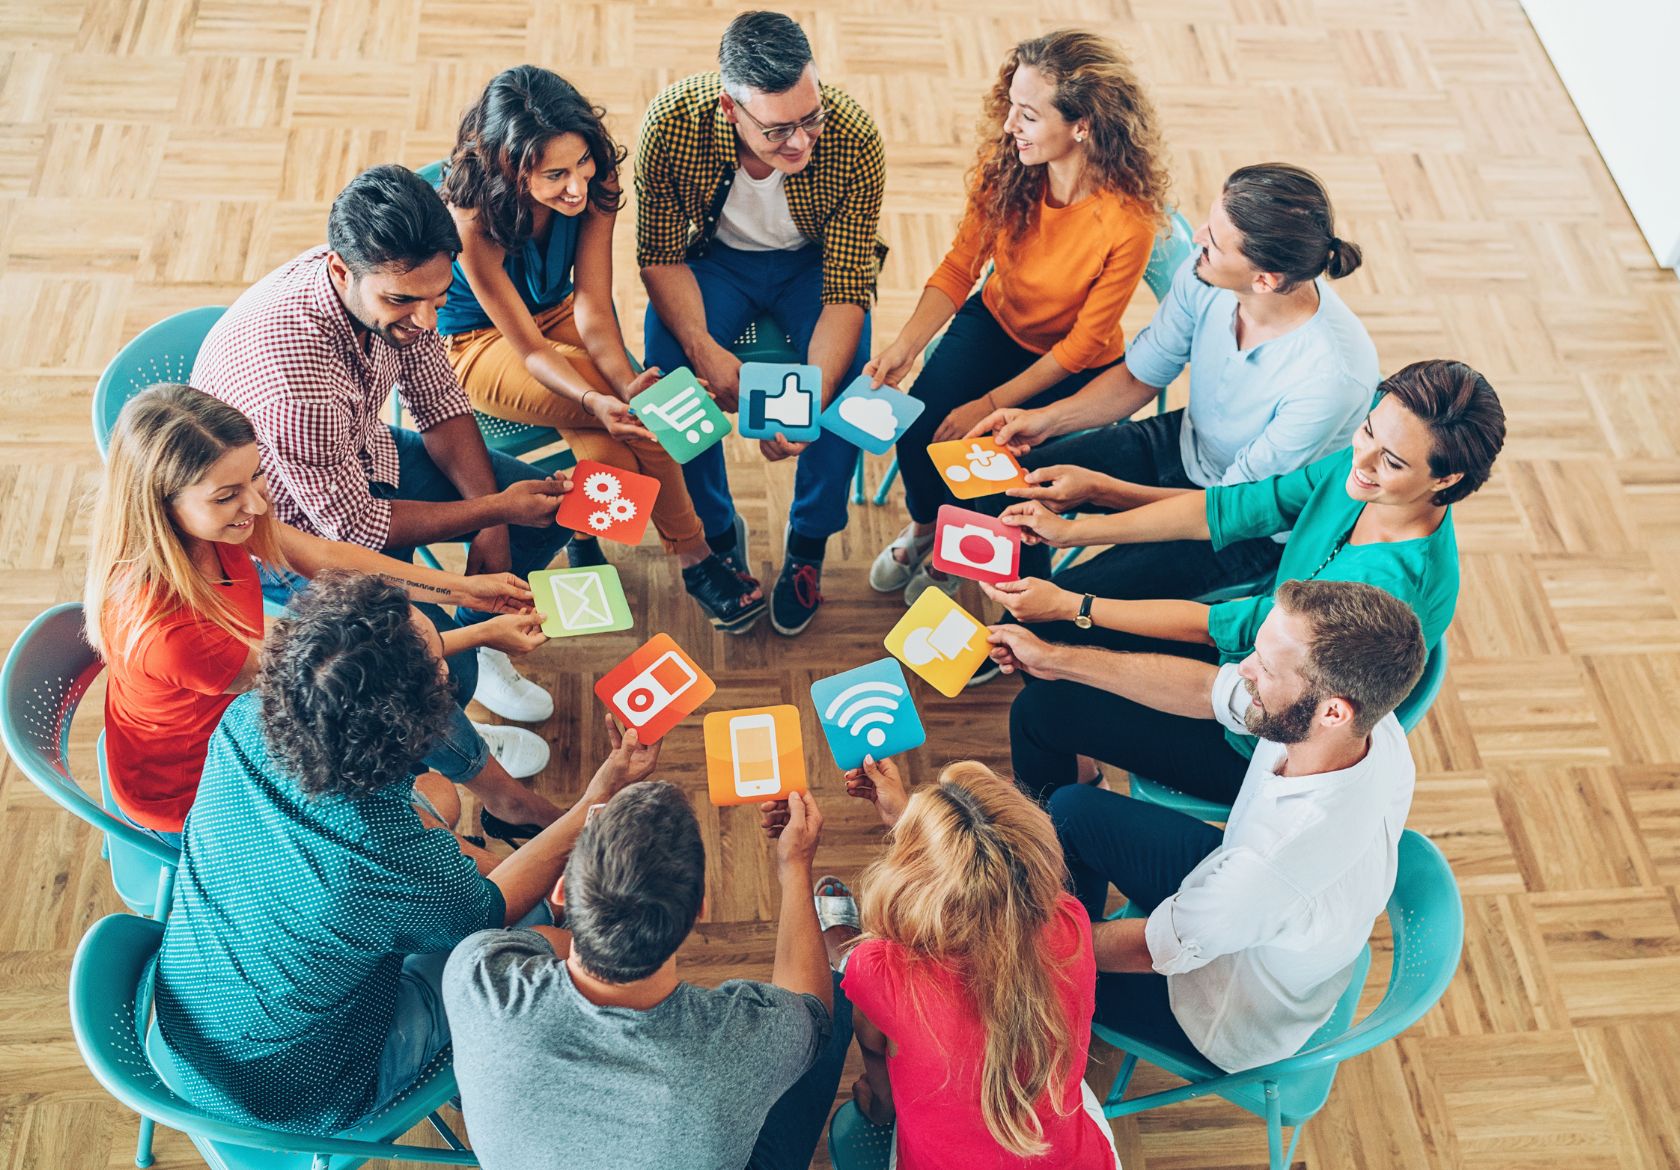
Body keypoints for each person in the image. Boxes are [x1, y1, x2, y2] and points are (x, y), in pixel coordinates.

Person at [151, 572, 661, 1134]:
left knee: (439, 798)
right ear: (412, 729)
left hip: (193, 1024)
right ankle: (518, 1079)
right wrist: (596, 799)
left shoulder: (242, 722)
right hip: (307, 1092)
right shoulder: (375, 853)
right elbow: (491, 912)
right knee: (560, 945)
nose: (445, 663)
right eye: (439, 672)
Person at [989, 358, 1505, 803]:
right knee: (1062, 644)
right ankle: (1081, 779)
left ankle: (1058, 863)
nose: (1362, 460)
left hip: (1265, 735)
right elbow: (1235, 508)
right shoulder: (1368, 476)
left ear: (1447, 480)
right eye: (1368, 429)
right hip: (1258, 659)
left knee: (1041, 710)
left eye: (1390, 461)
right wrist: (1091, 506)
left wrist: (1071, 606)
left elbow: (1220, 628)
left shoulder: (1383, 592)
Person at [193, 163, 569, 764]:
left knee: (548, 513)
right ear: (342, 272)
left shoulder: (395, 282)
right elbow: (356, 529)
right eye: (404, 302)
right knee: (423, 671)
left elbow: (440, 403)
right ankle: (467, 754)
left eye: (438, 298)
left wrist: (495, 524)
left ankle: (487, 624)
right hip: (286, 529)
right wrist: (492, 508)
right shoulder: (297, 386)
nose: (426, 321)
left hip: (366, 453)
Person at [83, 384, 560, 846]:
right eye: (227, 495)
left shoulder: (219, 518)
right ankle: (507, 803)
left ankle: (491, 791)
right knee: (396, 696)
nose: (257, 502)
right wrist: (480, 632)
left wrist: (467, 591)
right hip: (197, 782)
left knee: (420, 674)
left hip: (243, 707)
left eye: (256, 474)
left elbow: (329, 557)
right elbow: (352, 672)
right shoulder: (167, 632)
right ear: (160, 505)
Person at [1049, 579, 1426, 1072]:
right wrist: (1051, 659)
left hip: (1219, 1012)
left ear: (1333, 711)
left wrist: (1036, 940)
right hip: (1248, 903)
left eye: (1265, 667)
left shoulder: (1273, 867)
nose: (1244, 668)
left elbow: (1152, 948)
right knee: (1074, 808)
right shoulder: (1367, 723)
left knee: (1022, 969)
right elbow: (1216, 690)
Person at [436, 65, 764, 632]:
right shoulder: (472, 221)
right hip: (478, 341)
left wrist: (625, 380)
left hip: (558, 312)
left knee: (617, 450)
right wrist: (597, 399)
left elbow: (591, 303)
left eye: (582, 162)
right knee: (644, 424)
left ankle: (582, 534)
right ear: (507, 168)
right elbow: (531, 350)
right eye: (555, 174)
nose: (577, 186)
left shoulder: (599, 184)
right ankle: (698, 558)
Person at [966, 162, 1379, 599]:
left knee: (1068, 607)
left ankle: (1033, 626)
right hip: (1187, 444)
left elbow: (1223, 511)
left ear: (1263, 280)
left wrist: (1094, 504)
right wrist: (1045, 421)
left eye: (1215, 241)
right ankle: (1026, 606)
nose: (1197, 238)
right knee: (1005, 491)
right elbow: (1138, 376)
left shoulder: (1330, 380)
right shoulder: (1205, 274)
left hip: (1244, 526)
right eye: (1209, 221)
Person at [867, 30, 1168, 605]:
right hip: (994, 321)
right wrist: (904, 348)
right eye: (1011, 107)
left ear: (1082, 125)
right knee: (920, 428)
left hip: (1069, 363)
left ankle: (969, 552)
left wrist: (987, 405)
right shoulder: (1007, 169)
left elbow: (1081, 346)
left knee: (994, 472)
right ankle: (928, 529)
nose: (1009, 126)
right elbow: (960, 269)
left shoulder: (1126, 222)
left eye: (1027, 115)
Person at [441, 783, 851, 1170]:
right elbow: (810, 1012)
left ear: (562, 892)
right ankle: (843, 948)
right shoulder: (747, 1041)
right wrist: (794, 866)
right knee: (833, 1004)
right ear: (699, 912)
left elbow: (536, 939)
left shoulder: (477, 975)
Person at [637, 10, 887, 636]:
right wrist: (702, 348)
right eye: (778, 131)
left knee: (849, 389)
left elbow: (848, 286)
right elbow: (659, 256)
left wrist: (805, 404)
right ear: (730, 109)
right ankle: (717, 532)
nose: (801, 142)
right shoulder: (670, 126)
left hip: (814, 268)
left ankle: (808, 543)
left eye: (811, 118)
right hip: (714, 265)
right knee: (669, 379)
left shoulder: (854, 137)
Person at [832, 757, 1120, 1169]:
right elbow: (992, 900)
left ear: (910, 880)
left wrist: (880, 1107)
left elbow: (876, 1058)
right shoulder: (1069, 923)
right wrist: (911, 822)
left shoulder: (880, 969)